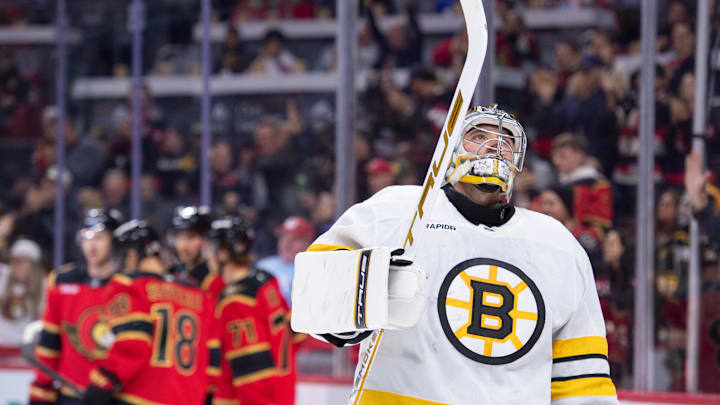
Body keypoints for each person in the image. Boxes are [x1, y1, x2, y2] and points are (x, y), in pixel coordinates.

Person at [292, 106, 618, 404]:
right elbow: (314, 299)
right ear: (450, 150)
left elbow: (581, 377)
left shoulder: (557, 245)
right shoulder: (397, 211)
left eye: (506, 142)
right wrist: (368, 287)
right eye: (479, 137)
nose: (494, 147)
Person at [82, 220, 214, 405]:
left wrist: (101, 384)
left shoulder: (129, 284)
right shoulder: (198, 294)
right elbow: (212, 357)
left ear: (131, 255)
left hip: (140, 397)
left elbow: (132, 345)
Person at [29, 209, 123, 405]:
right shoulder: (63, 281)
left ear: (114, 242)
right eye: (87, 237)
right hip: (70, 394)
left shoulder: (128, 285)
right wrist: (42, 386)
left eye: (99, 237)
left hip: (115, 396)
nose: (92, 245)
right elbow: (50, 341)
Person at [210, 216, 296, 405]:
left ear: (224, 253)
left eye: (211, 248)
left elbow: (252, 371)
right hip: (282, 391)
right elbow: (296, 337)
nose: (207, 255)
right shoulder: (267, 282)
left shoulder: (235, 300)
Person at [167, 205, 224, 297]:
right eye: (178, 237)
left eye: (191, 237)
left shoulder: (213, 277)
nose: (183, 246)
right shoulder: (172, 272)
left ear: (206, 240)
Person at [256, 216, 315, 304]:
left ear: (308, 243)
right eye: (283, 237)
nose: (286, 243)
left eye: (294, 239)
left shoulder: (312, 270)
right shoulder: (262, 266)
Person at [0, 238, 44, 346]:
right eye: (13, 260)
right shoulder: (3, 279)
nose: (15, 265)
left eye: (20, 261)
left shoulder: (45, 287)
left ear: (34, 265)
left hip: (27, 353)